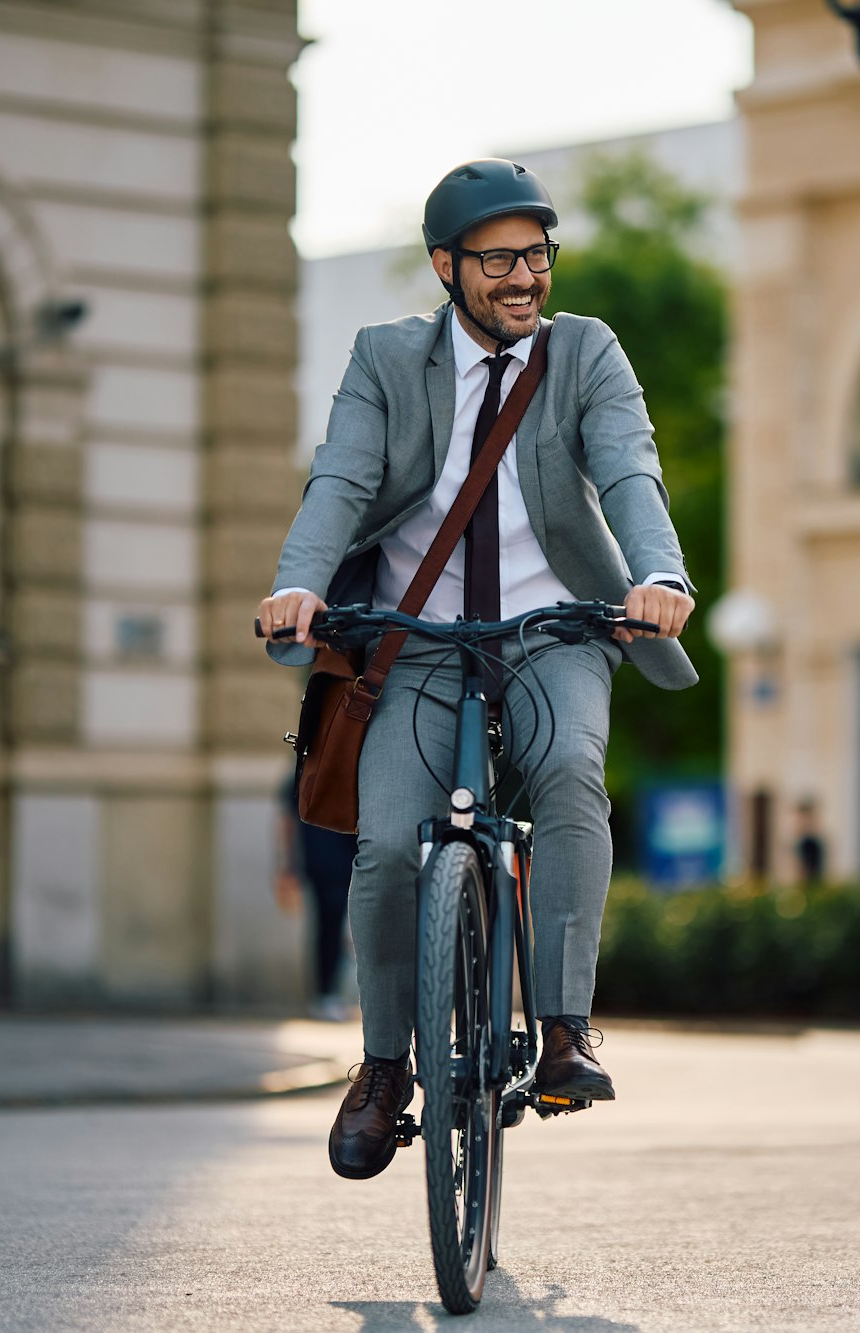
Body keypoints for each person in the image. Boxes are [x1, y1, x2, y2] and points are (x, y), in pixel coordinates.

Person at [256, 159, 697, 1181]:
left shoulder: (585, 353)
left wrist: (657, 573)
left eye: (535, 255)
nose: (522, 277)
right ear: (445, 267)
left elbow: (629, 466)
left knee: (569, 779)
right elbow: (341, 479)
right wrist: (297, 585)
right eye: (497, 258)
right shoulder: (384, 359)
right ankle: (379, 1067)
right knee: (382, 850)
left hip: (556, 629)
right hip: (418, 638)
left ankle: (562, 1029)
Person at [273, 771, 356, 1022]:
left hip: (343, 859)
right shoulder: (302, 772)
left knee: (335, 929)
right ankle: (325, 994)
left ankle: (328, 993)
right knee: (328, 927)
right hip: (325, 861)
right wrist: (287, 866)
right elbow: (287, 820)